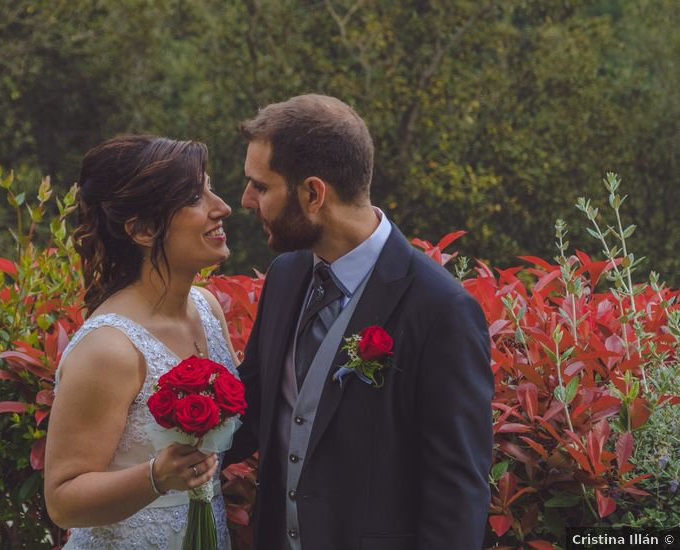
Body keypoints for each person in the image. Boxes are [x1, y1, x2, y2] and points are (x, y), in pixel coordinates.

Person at [225, 94, 493, 550]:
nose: (246, 200)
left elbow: (458, 488)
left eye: (261, 186)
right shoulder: (286, 276)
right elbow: (252, 407)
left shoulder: (442, 310)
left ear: (313, 194)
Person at [44, 135, 239, 549]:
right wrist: (154, 477)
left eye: (211, 189)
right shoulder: (110, 348)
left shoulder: (207, 309)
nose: (221, 207)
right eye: (194, 197)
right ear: (143, 229)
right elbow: (63, 500)